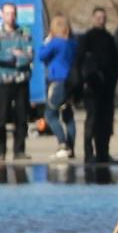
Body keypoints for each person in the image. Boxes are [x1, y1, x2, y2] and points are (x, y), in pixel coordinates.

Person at [0, 1, 35, 162]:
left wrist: (16, 58)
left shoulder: (24, 33)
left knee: (21, 117)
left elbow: (29, 55)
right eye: (7, 13)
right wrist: (15, 55)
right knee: (1, 117)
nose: (10, 17)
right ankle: (0, 152)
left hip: (20, 81)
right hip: (2, 81)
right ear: (2, 15)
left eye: (13, 13)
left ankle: (19, 151)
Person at [73, 5, 118, 164]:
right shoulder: (87, 38)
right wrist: (81, 84)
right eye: (98, 17)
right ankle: (88, 153)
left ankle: (104, 153)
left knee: (106, 122)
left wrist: (113, 80)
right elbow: (79, 62)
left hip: (107, 88)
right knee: (92, 120)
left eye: (103, 17)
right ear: (93, 19)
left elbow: (115, 62)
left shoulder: (109, 38)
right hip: (91, 87)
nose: (101, 20)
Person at [35, 17, 79, 159]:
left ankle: (62, 144)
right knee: (68, 116)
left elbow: (41, 55)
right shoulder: (73, 43)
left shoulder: (55, 43)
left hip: (57, 82)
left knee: (50, 115)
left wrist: (46, 42)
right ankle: (71, 147)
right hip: (71, 82)